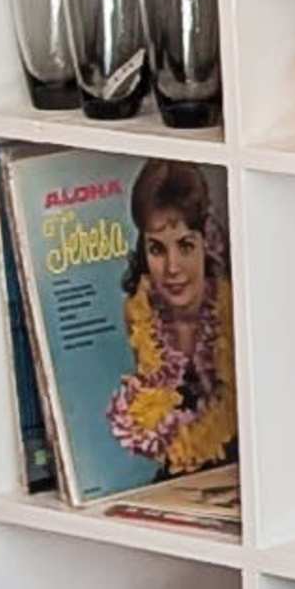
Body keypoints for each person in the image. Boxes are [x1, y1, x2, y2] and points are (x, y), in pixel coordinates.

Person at [106, 157, 236, 480]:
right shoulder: (140, 313)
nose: (172, 268)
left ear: (208, 244)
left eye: (185, 246)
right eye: (157, 250)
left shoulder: (232, 306)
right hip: (180, 472)